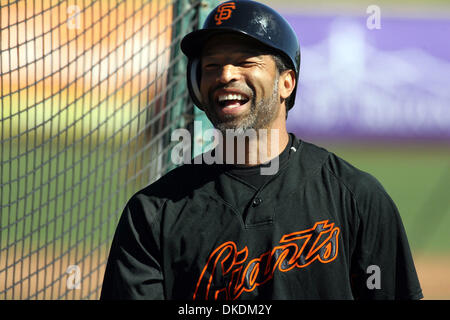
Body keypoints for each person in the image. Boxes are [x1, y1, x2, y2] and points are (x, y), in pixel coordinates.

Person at [100, 0, 423, 300]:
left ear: (287, 82)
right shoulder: (154, 211)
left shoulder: (355, 196)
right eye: (212, 66)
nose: (226, 75)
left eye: (245, 62)